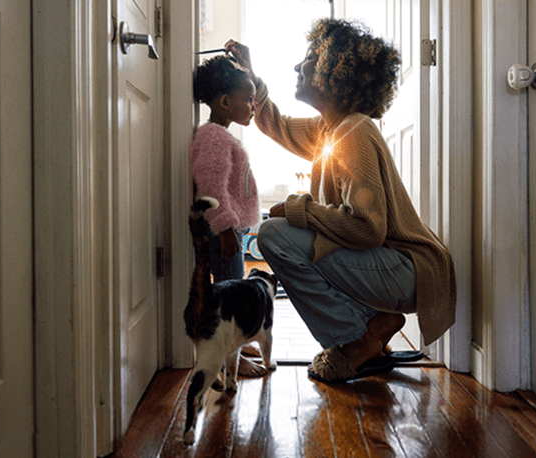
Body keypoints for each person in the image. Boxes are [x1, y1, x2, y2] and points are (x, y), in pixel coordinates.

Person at [225, 18, 456, 383]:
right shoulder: (330, 129)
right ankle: (375, 327)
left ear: (337, 69)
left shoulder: (353, 132)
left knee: (273, 236)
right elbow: (276, 124)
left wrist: (300, 210)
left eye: (309, 59)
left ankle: (359, 340)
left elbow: (368, 229)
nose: (298, 67)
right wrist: (251, 76)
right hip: (396, 269)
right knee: (294, 239)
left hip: (407, 270)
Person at [190, 55, 267, 377]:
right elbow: (211, 185)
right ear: (225, 101)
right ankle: (225, 358)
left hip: (229, 228)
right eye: (248, 99)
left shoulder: (219, 134)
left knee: (232, 292)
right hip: (221, 229)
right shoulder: (214, 137)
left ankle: (233, 346)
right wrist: (223, 229)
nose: (253, 105)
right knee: (230, 295)